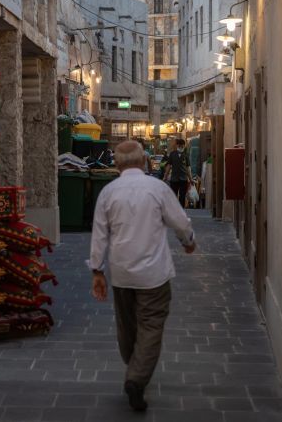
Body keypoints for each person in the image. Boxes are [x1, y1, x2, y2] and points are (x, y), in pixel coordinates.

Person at [88, 140, 197, 411]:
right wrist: (188, 241)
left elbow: (99, 234)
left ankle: (135, 365)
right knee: (151, 326)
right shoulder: (157, 189)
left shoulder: (108, 193)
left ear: (116, 164)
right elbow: (180, 221)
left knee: (127, 327)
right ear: (144, 162)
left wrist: (97, 270)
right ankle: (136, 378)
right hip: (154, 275)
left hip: (122, 273)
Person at [163, 138, 192, 207]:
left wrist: (190, 179)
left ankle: (182, 210)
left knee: (182, 196)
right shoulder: (172, 154)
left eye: (182, 146)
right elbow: (169, 166)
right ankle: (174, 209)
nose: (181, 148)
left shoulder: (186, 155)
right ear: (177, 146)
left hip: (183, 178)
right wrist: (165, 176)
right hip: (174, 178)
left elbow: (188, 168)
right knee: (173, 195)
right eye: (179, 146)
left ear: (184, 146)